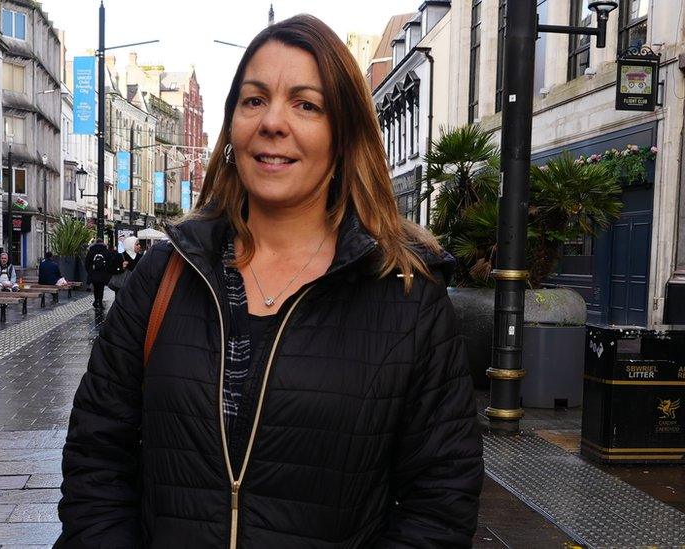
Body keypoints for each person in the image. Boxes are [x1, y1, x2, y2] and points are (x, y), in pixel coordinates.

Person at [58, 15, 482, 548]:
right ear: (232, 124)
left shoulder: (406, 296)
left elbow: (439, 502)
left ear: (343, 133)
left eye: (306, 104)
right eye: (254, 100)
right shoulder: (164, 277)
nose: (272, 122)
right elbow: (96, 458)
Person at [84, 239, 111, 309]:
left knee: (95, 288)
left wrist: (90, 271)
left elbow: (87, 263)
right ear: (102, 243)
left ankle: (96, 301)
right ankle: (100, 302)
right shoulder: (106, 251)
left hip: (93, 273)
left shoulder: (91, 251)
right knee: (101, 288)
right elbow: (109, 262)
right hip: (103, 273)